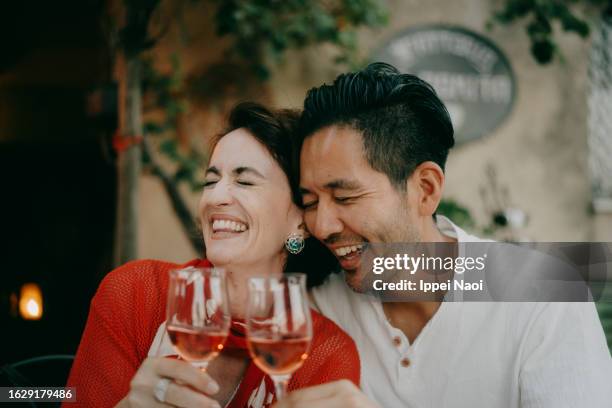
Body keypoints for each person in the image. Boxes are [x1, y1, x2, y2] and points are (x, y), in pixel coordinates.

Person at [273, 62, 612, 407]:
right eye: (309, 201)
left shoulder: (544, 297)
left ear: (425, 189)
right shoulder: (315, 305)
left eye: (345, 197)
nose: (322, 225)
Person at [64, 102, 359, 408]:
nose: (215, 198)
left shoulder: (324, 356)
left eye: (244, 181)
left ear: (301, 219)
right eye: (210, 181)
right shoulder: (137, 294)